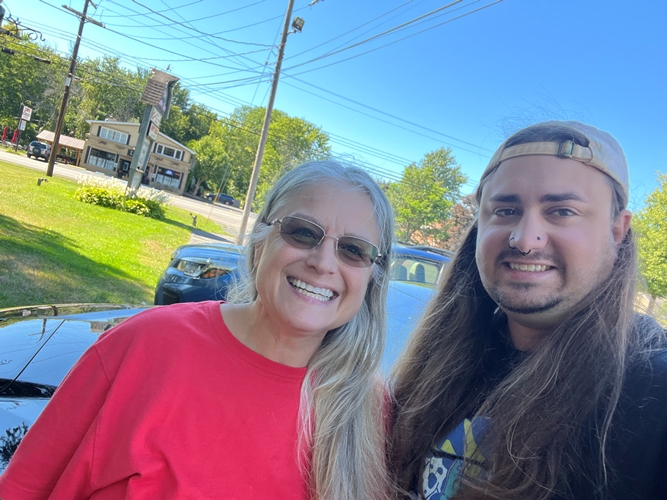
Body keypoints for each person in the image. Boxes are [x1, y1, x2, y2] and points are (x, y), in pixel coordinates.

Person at [0, 160, 394, 500]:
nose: (323, 262)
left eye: (353, 250)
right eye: (303, 232)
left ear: (373, 276)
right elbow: (24, 488)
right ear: (260, 242)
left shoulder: (369, 409)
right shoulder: (144, 345)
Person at [389, 121, 667, 500]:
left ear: (617, 230)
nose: (524, 240)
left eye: (562, 211)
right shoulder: (439, 364)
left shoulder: (653, 395)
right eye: (505, 210)